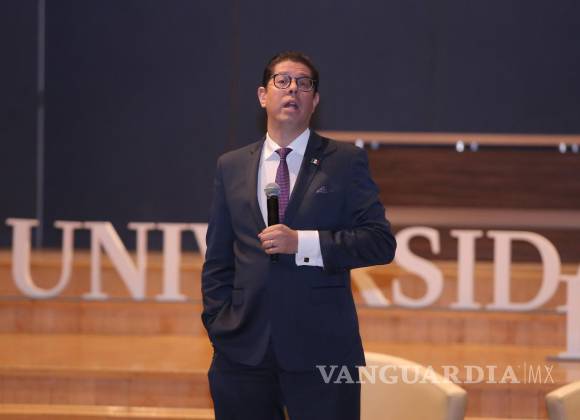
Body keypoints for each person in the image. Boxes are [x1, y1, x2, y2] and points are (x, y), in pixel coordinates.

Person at [201, 51, 396, 420]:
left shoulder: (344, 162)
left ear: (315, 100)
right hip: (242, 353)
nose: (293, 89)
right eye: (283, 81)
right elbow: (218, 260)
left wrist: (302, 243)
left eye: (304, 84)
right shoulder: (231, 165)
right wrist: (219, 326)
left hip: (322, 350)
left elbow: (379, 242)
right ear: (263, 95)